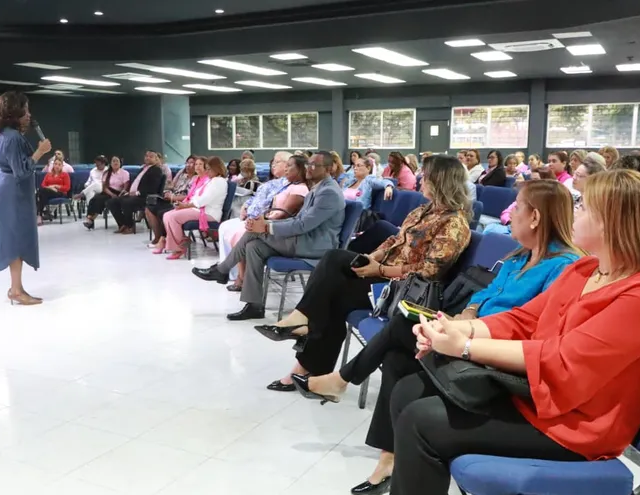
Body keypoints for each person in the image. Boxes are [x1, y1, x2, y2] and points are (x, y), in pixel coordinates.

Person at [378, 169, 640, 495]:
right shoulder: (585, 269)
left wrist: (464, 347)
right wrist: (456, 327)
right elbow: (522, 320)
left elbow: (562, 358)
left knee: (421, 421)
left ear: (611, 221)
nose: (574, 212)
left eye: (583, 205)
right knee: (408, 389)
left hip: (576, 424)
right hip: (537, 396)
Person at [293, 179, 582, 494]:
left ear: (535, 217)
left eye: (517, 207)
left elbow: (534, 328)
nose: (509, 213)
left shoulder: (563, 267)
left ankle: (344, 381)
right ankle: (388, 457)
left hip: (492, 351)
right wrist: (467, 315)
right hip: (471, 331)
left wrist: (468, 331)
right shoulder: (519, 256)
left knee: (402, 328)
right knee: (397, 356)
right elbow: (485, 293)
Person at [259, 155, 473, 392]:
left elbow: (429, 270)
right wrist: (372, 258)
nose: (421, 179)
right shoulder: (423, 210)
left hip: (406, 290)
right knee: (333, 280)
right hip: (384, 277)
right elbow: (395, 240)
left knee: (332, 279)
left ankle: (305, 342)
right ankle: (310, 362)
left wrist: (379, 269)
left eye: (426, 176)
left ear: (440, 181)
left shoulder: (454, 223)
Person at [191, 151, 345, 321]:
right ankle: (254, 305)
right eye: (309, 164)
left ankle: (222, 270)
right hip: (304, 240)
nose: (309, 168)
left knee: (254, 232)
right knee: (254, 247)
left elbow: (302, 225)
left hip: (314, 246)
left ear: (329, 168)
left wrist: (266, 226)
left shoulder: (328, 192)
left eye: (315, 165)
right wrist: (266, 224)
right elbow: (297, 220)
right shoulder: (319, 188)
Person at [0, 91, 51, 306]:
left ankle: (17, 286)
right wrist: (40, 152)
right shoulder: (13, 138)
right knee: (15, 239)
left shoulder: (3, 134)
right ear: (14, 113)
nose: (28, 115)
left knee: (16, 237)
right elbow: (22, 170)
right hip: (14, 192)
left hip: (11, 190)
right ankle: (16, 289)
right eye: (25, 111)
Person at [226, 156, 311, 292]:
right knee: (245, 236)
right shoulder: (289, 185)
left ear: (300, 169)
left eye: (289, 166)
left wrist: (262, 222)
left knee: (245, 235)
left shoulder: (299, 189)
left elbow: (283, 214)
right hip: (272, 224)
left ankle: (231, 273)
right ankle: (238, 277)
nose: (286, 169)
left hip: (281, 233)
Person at [219, 152, 292, 289]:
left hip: (264, 222)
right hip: (253, 217)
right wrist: (246, 205)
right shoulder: (273, 182)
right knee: (225, 226)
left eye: (277, 162)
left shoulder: (290, 186)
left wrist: (256, 217)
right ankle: (228, 271)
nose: (273, 165)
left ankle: (240, 277)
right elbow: (256, 198)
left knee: (238, 233)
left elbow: (272, 207)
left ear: (288, 165)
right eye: (273, 162)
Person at [157, 156, 229, 259]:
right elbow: (197, 196)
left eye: (209, 169)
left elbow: (204, 199)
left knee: (173, 217)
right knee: (167, 215)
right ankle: (182, 240)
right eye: (207, 168)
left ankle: (179, 247)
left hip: (209, 213)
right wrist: (184, 205)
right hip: (199, 209)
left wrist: (186, 206)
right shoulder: (211, 180)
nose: (207, 171)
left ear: (216, 168)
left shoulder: (219, 181)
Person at [147, 156, 207, 250]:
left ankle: (170, 240)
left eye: (192, 163)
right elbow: (173, 186)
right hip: (176, 200)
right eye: (187, 163)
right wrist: (168, 192)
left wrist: (174, 198)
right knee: (150, 208)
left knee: (163, 212)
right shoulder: (183, 175)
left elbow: (190, 197)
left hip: (184, 203)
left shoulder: (198, 179)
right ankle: (160, 238)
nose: (189, 165)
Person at [483, 168, 555, 236]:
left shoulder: (549, 204)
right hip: (512, 228)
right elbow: (506, 213)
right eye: (530, 180)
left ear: (546, 183)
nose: (531, 183)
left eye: (536, 180)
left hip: (527, 234)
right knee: (489, 228)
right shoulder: (525, 196)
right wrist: (511, 221)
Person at [107, 150, 164, 234]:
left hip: (145, 197)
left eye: (151, 156)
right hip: (134, 194)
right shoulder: (143, 169)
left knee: (126, 202)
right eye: (146, 156)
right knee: (111, 202)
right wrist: (129, 192)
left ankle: (130, 226)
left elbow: (152, 188)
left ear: (156, 159)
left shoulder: (156, 170)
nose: (148, 158)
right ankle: (123, 224)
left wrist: (137, 193)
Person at [83, 156, 129, 230]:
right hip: (108, 191)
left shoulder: (125, 173)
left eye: (117, 161)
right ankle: (90, 218)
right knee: (95, 199)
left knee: (102, 200)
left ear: (120, 163)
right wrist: (111, 194)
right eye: (113, 161)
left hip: (119, 192)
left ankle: (91, 220)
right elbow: (104, 187)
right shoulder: (106, 173)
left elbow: (126, 187)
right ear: (111, 163)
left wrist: (119, 194)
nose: (115, 163)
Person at [36, 157, 70, 225]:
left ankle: (40, 214)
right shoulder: (48, 174)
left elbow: (67, 188)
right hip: (48, 192)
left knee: (40, 194)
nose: (57, 166)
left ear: (62, 166)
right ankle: (42, 214)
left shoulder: (65, 175)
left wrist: (56, 186)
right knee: (39, 194)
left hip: (60, 193)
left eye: (59, 164)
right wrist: (51, 187)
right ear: (53, 165)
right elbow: (43, 185)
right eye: (55, 164)